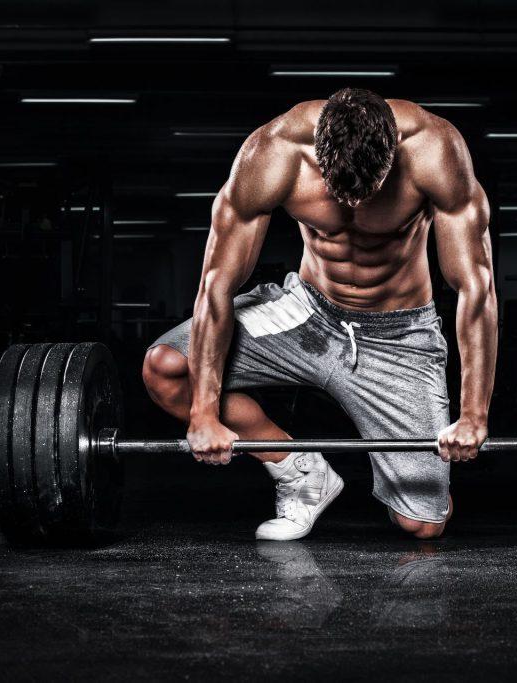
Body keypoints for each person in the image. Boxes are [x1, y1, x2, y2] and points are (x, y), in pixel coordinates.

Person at [143, 88, 496, 541]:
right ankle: (298, 469)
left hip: (398, 334)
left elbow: (476, 288)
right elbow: (217, 285)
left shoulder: (435, 150)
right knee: (168, 369)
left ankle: (421, 492)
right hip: (306, 312)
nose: (352, 207)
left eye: (367, 194)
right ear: (317, 154)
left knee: (423, 524)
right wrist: (205, 413)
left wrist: (473, 414)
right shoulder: (275, 151)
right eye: (339, 193)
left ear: (393, 156)